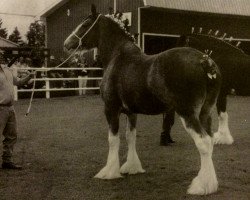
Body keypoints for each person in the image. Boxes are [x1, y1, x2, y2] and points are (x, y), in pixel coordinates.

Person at [0, 51, 35, 170]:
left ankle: (7, 161)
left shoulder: (7, 70)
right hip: (0, 108)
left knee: (12, 135)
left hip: (10, 108)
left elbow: (18, 82)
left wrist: (29, 76)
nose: (1, 56)